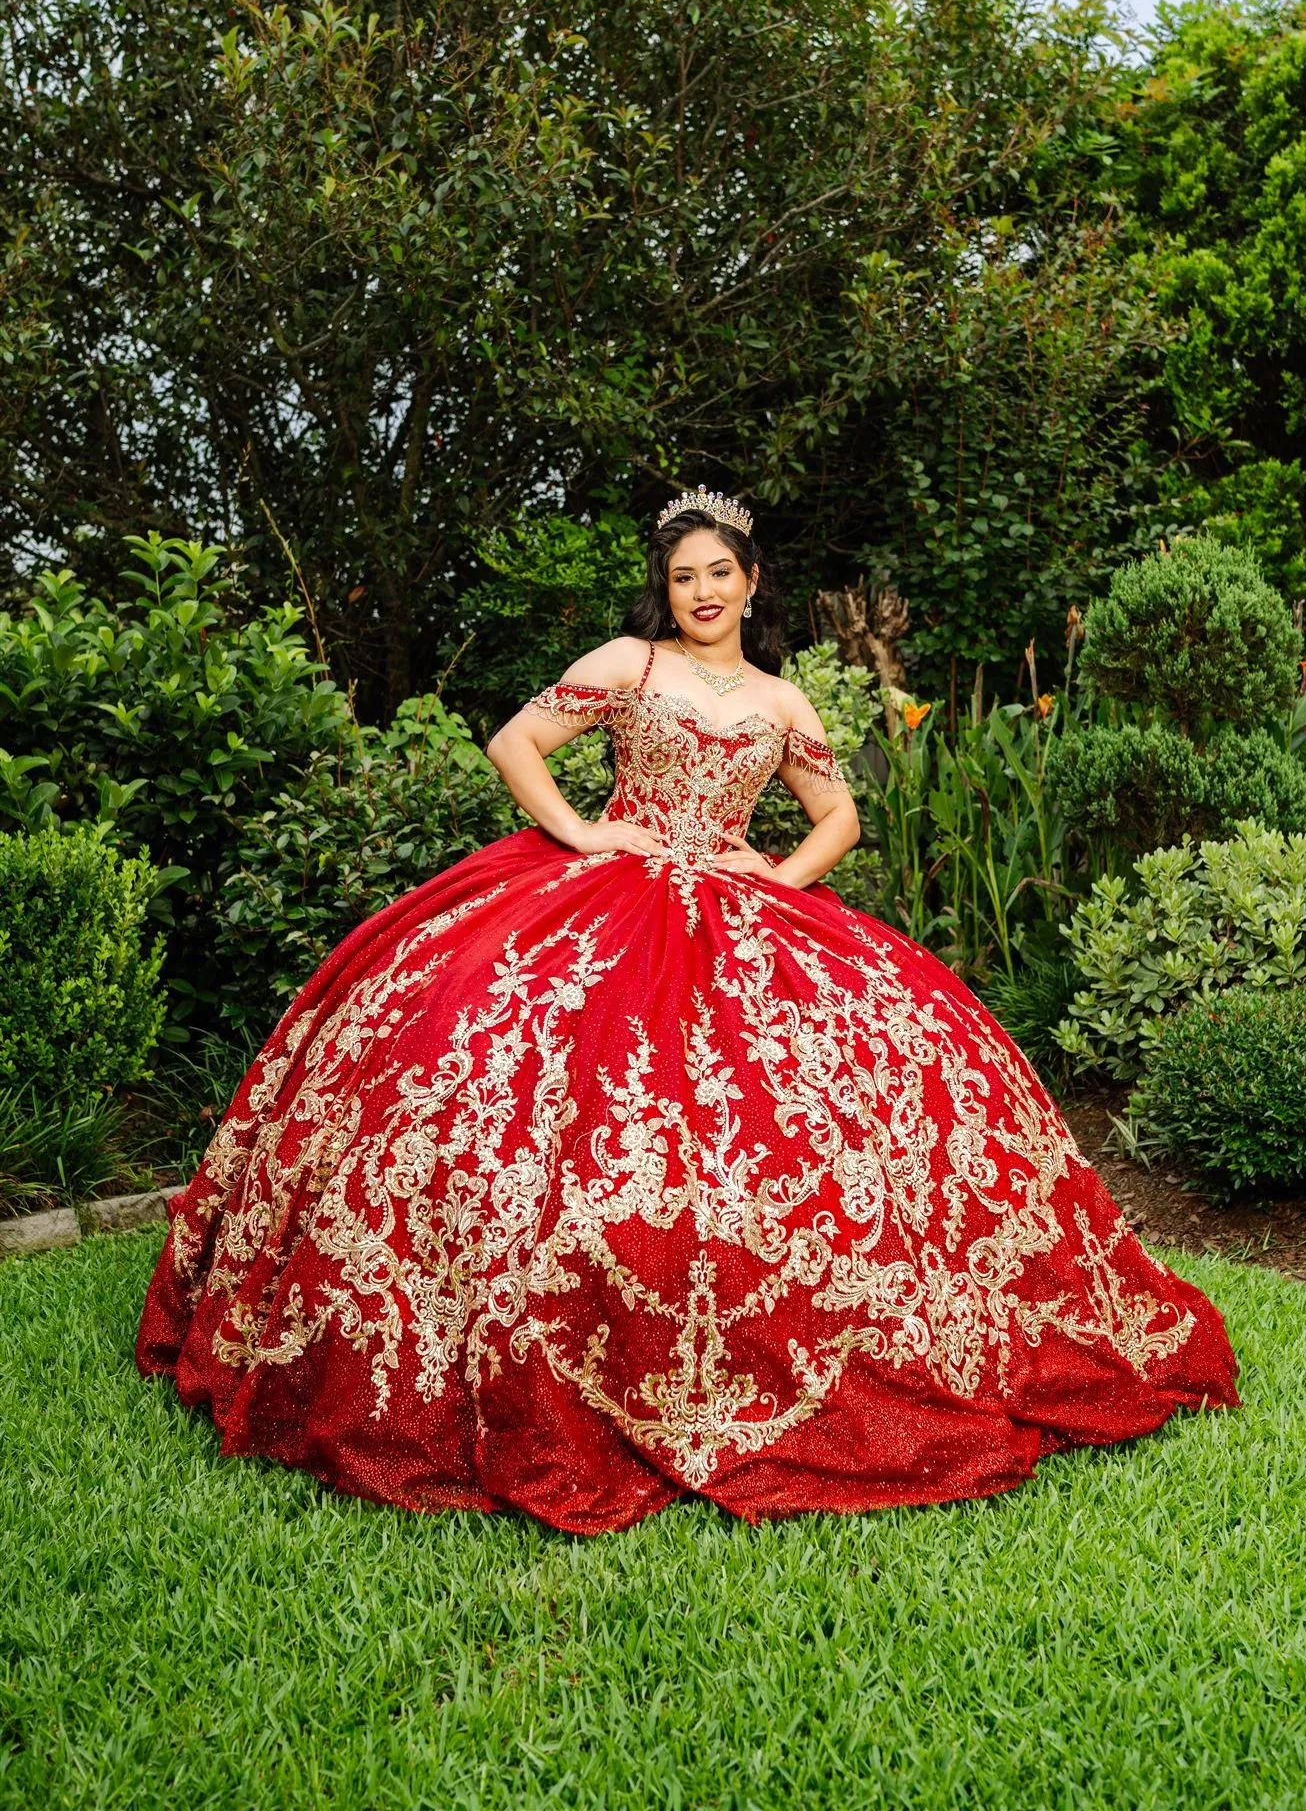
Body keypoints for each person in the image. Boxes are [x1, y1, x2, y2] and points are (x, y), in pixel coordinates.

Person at [137, 488, 1239, 1532]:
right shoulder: (631, 661)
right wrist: (583, 832)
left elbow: (839, 810)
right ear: (663, 588)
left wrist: (782, 877)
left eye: (720, 572)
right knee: (509, 1078)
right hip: (608, 898)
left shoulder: (783, 699)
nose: (702, 590)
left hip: (741, 903)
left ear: (753, 581)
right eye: (682, 575)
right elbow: (514, 740)